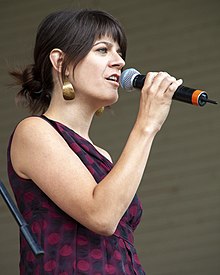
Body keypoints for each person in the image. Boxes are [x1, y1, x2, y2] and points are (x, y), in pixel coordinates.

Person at [8, 9, 183, 275]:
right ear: (61, 62)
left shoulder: (102, 156)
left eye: (120, 52)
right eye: (103, 50)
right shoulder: (33, 132)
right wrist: (147, 125)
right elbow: (101, 216)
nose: (120, 62)